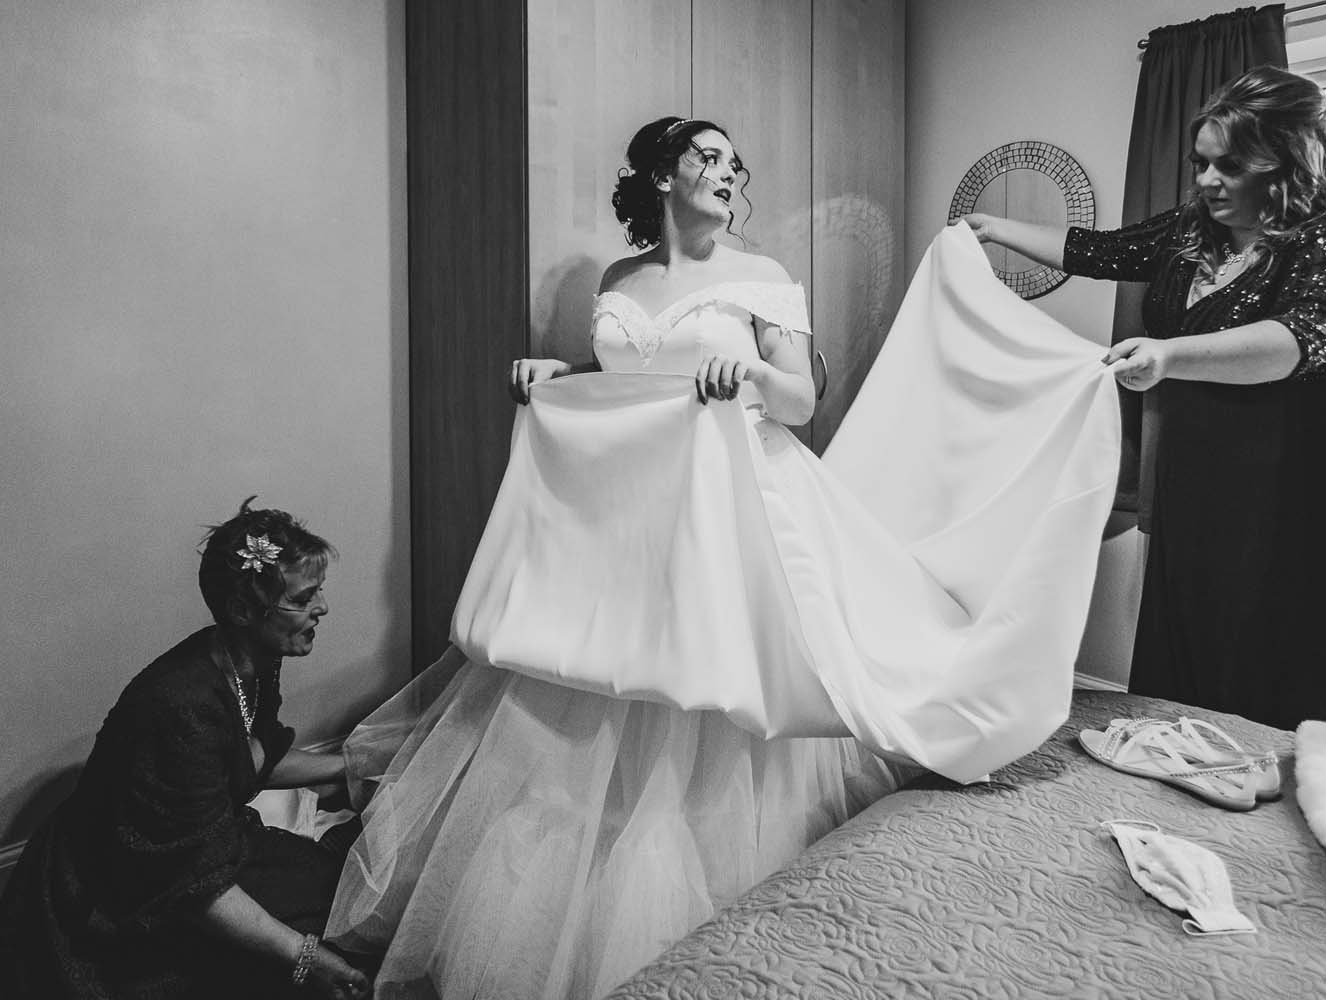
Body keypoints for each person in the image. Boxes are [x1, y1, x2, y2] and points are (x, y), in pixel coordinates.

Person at [325, 117, 1121, 998]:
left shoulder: (762, 278)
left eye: (734, 164)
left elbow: (800, 402)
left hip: (742, 499)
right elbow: (631, 384)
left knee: (721, 677)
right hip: (639, 517)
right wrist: (559, 374)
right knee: (610, 684)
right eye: (707, 156)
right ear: (660, 173)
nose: (727, 173)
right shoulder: (620, 278)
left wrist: (746, 378)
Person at [962, 66, 1326, 739]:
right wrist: (992, 228)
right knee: (1204, 611)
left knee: (1285, 625)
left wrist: (1168, 355)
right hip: (1203, 449)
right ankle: (1196, 754)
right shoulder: (1192, 230)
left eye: (1229, 165)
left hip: (1309, 456)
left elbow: (1292, 342)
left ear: (1289, 162)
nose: (1207, 181)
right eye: (1201, 163)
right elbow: (1100, 250)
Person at [0, 499, 371, 1000]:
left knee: (340, 891)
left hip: (199, 840)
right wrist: (306, 957)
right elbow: (191, 885)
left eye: (318, 592)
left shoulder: (253, 658)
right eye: (303, 599)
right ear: (243, 610)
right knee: (278, 963)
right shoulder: (180, 706)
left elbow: (254, 756)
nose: (321, 607)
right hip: (122, 882)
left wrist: (354, 763)